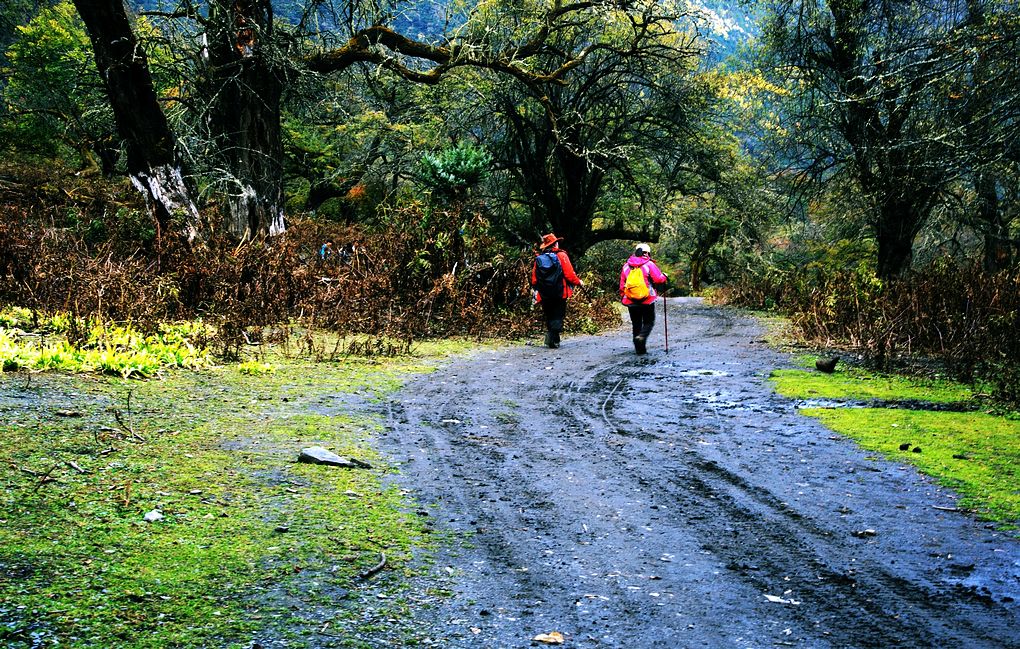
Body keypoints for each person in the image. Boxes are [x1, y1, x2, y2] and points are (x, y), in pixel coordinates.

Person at [531, 233, 583, 348]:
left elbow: (534, 279)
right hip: (560, 291)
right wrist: (578, 282)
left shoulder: (539, 258)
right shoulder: (561, 256)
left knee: (549, 314)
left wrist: (537, 289)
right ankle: (554, 339)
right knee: (558, 314)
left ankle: (552, 338)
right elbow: (569, 274)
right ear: (555, 243)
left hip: (544, 292)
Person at [619, 243, 668, 354]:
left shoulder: (626, 266)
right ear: (647, 253)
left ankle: (640, 350)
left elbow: (622, 284)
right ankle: (642, 336)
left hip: (631, 301)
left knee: (636, 324)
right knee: (649, 322)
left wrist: (623, 296)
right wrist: (664, 276)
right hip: (647, 300)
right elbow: (658, 279)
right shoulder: (649, 264)